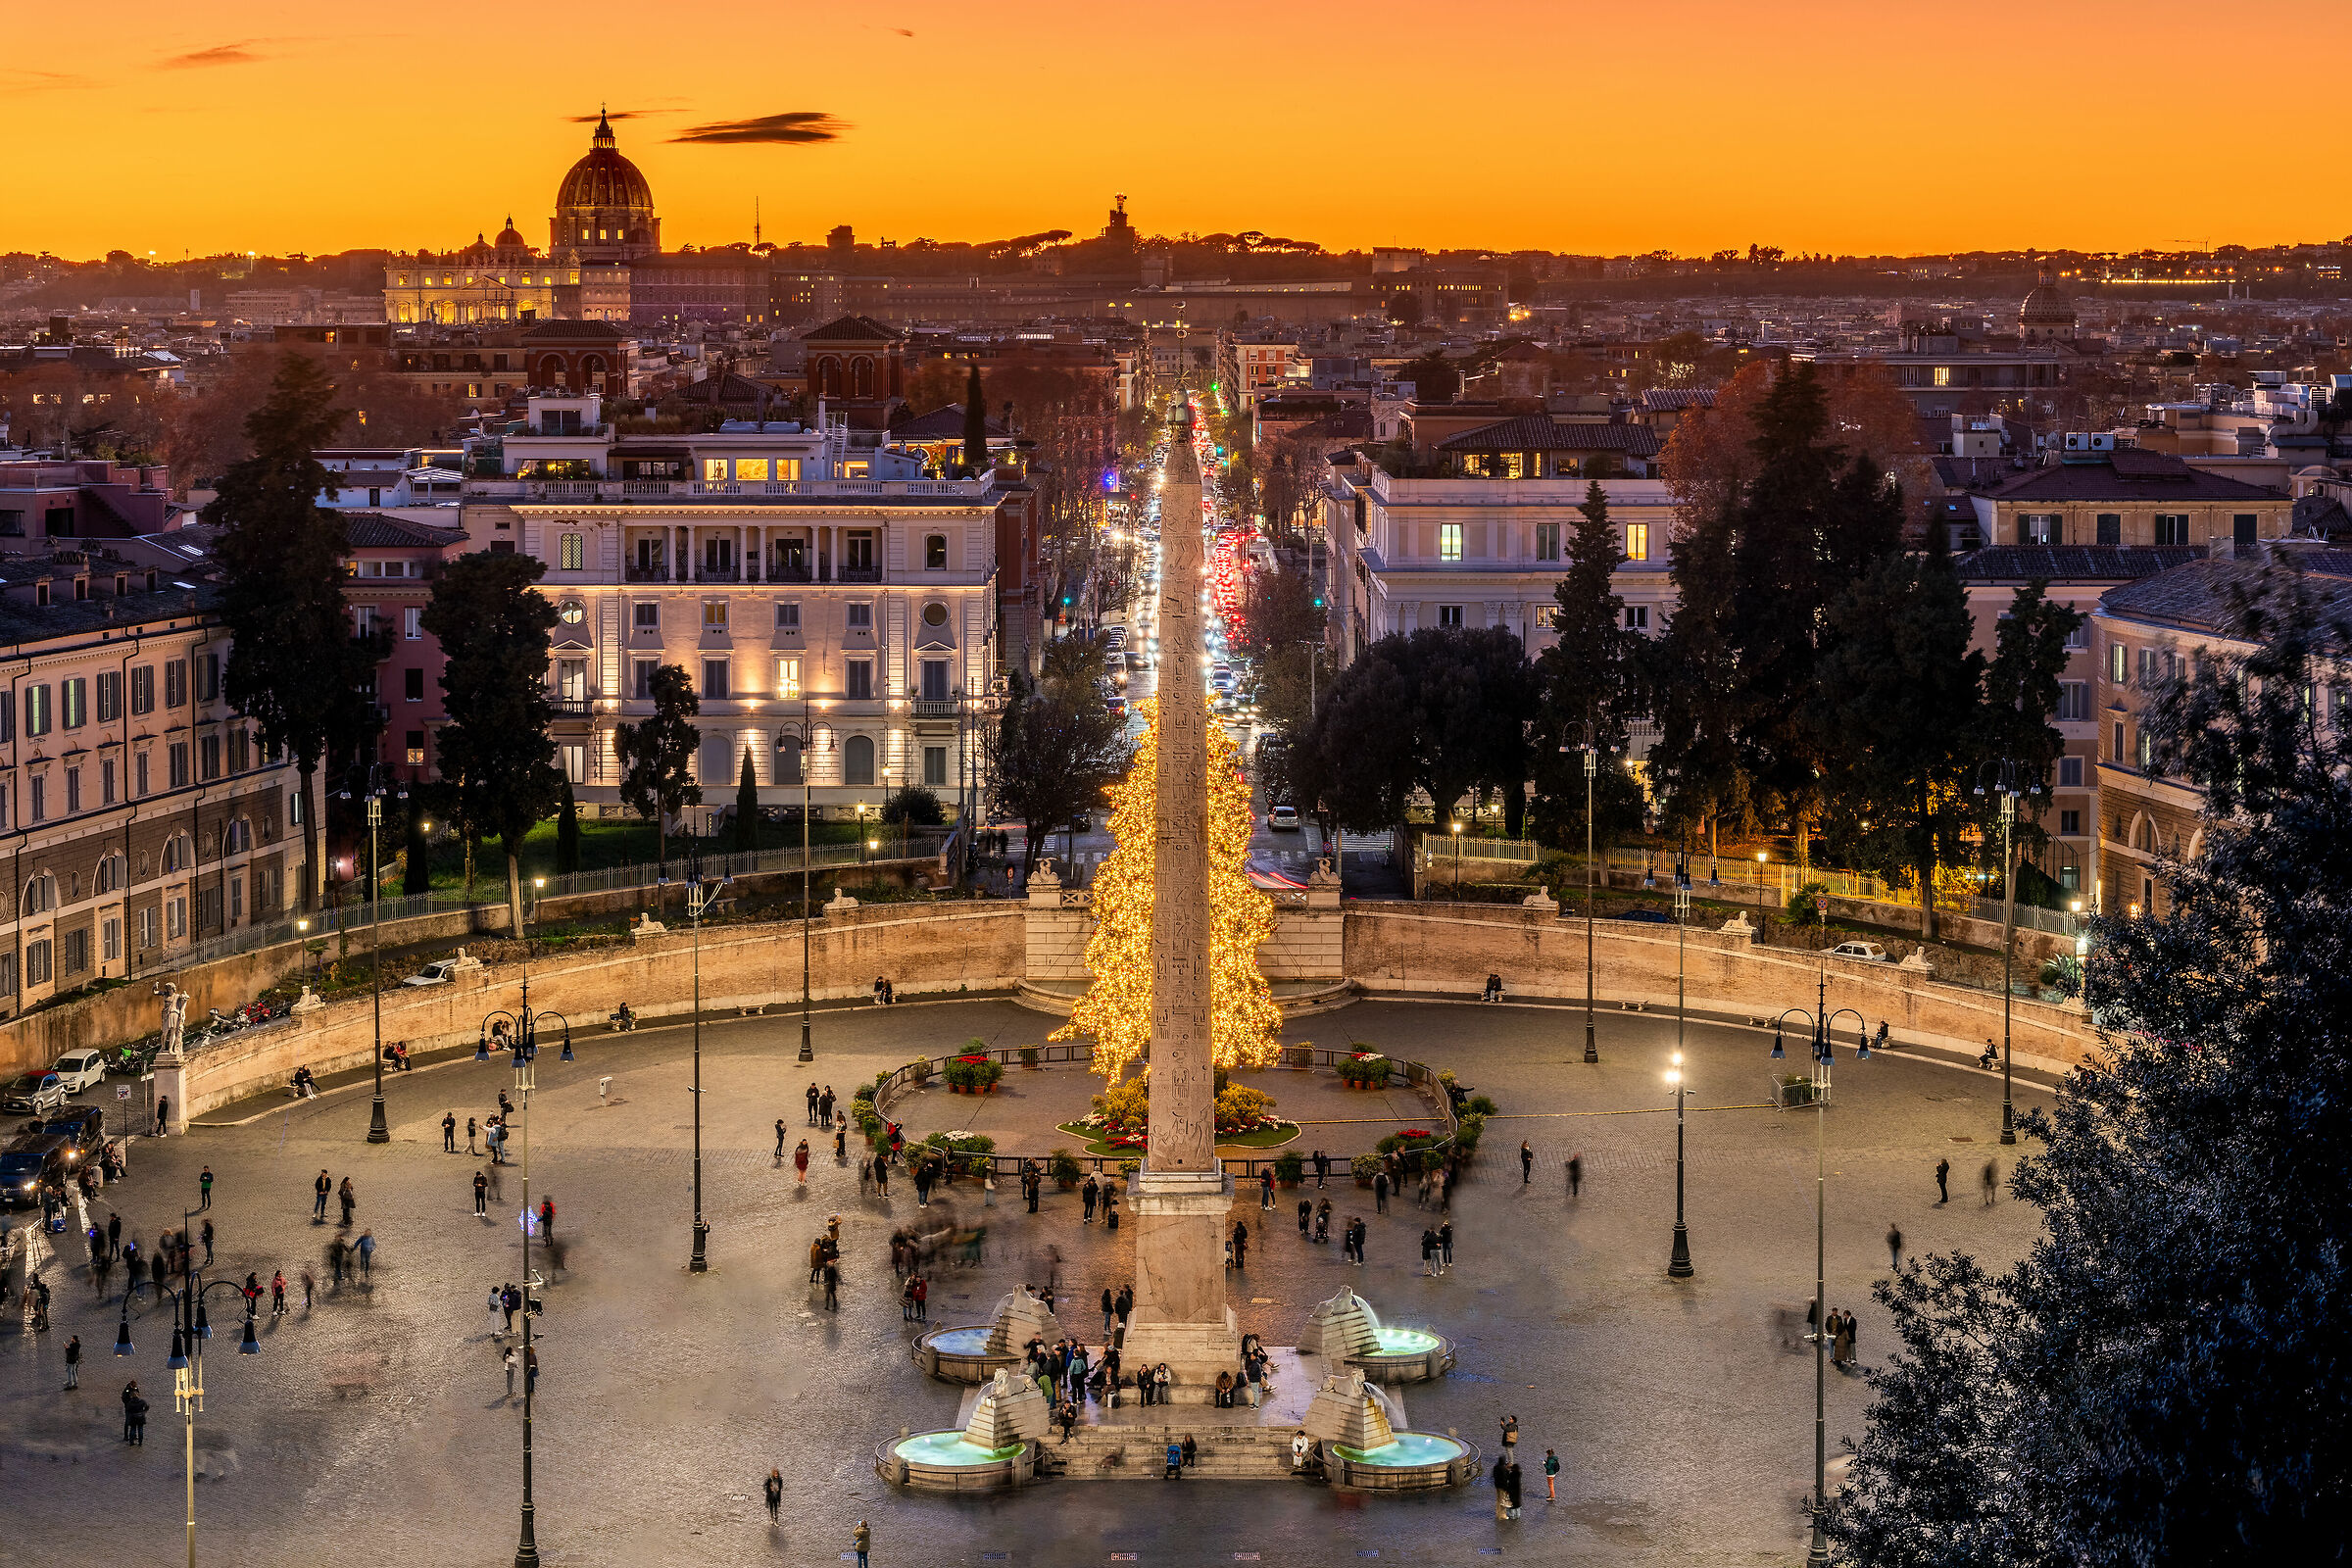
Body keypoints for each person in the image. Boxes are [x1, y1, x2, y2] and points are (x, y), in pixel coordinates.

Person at [122, 1380, 147, 1444]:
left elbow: (138, 1393)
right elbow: (123, 1398)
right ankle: (126, 1436)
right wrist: (128, 1404)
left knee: (134, 1423)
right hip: (129, 1408)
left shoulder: (136, 1388)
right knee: (127, 1422)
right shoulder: (127, 1390)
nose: (135, 1388)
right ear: (131, 1385)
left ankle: (134, 1436)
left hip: (135, 1408)